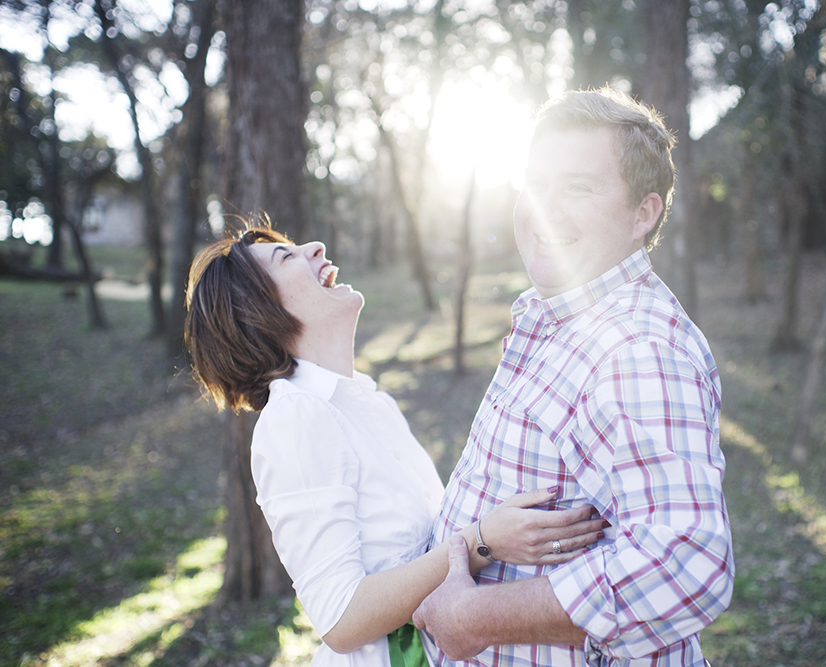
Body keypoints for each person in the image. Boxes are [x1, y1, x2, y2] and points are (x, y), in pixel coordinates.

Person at [183, 224, 607, 667]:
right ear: (258, 312)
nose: (316, 247)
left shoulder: (367, 400)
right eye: (286, 258)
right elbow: (341, 618)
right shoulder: (294, 418)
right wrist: (483, 543)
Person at [413, 88, 734, 667]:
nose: (543, 209)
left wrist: (476, 617)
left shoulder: (637, 350)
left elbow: (687, 563)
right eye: (536, 183)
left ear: (644, 213)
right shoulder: (555, 315)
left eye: (578, 188)